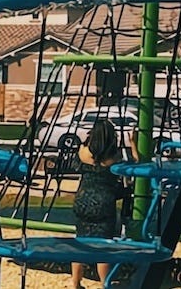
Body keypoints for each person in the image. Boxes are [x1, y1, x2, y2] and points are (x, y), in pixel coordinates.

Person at [70, 122, 129, 288]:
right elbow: (127, 169)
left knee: (81, 240)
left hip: (83, 198)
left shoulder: (83, 152)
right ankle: (105, 283)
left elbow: (75, 166)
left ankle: (75, 282)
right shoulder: (113, 157)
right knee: (104, 245)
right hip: (103, 202)